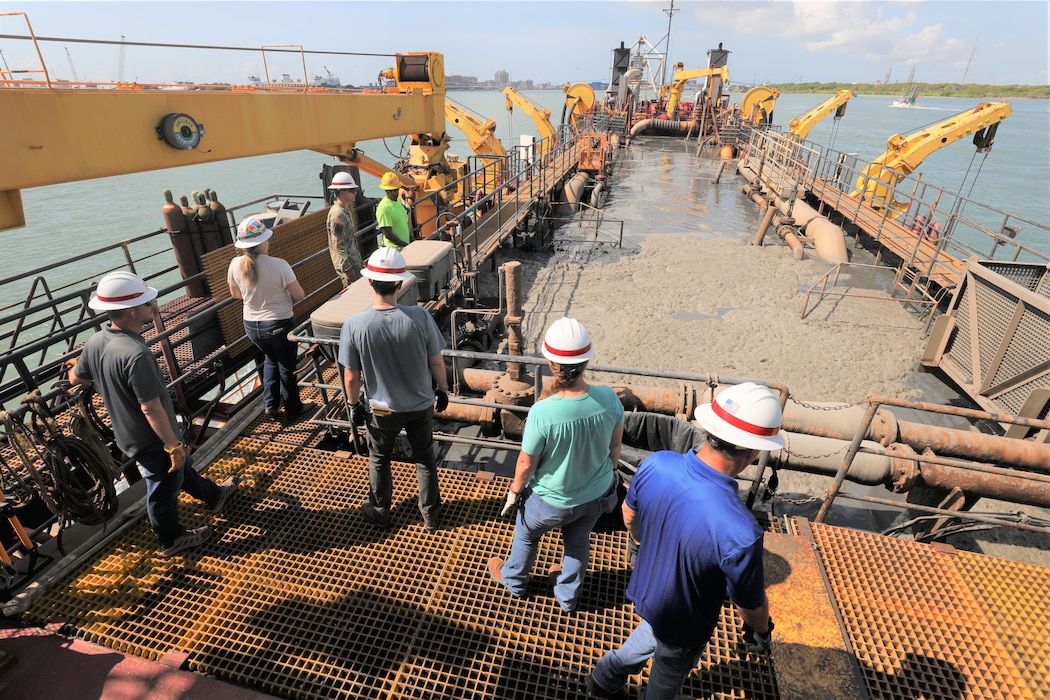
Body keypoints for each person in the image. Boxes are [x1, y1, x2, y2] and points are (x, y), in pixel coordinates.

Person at [586, 382, 783, 700]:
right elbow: (750, 604)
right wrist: (761, 631)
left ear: (710, 429)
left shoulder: (656, 464)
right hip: (686, 620)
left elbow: (628, 514)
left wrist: (641, 546)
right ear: (755, 450)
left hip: (648, 592)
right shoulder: (741, 531)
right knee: (667, 673)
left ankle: (603, 679)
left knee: (650, 629)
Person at [68, 271, 239, 558]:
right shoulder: (136, 354)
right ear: (133, 310)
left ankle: (213, 495)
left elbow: (75, 379)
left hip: (127, 433)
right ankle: (170, 539)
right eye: (148, 304)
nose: (154, 307)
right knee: (163, 486)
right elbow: (151, 407)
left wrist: (82, 364)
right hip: (152, 439)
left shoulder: (96, 342)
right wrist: (173, 445)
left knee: (179, 470)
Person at [487, 317, 624, 613]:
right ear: (587, 361)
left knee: (526, 533)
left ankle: (515, 581)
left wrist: (514, 491)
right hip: (598, 495)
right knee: (577, 543)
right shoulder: (609, 398)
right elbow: (615, 447)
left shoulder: (543, 411)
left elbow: (526, 462)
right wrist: (611, 474)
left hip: (553, 500)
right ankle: (566, 597)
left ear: (551, 364)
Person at [337, 247, 448, 532]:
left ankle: (380, 511)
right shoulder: (420, 317)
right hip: (421, 404)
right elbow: (436, 360)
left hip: (381, 409)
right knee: (424, 458)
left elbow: (351, 376)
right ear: (400, 283)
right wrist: (444, 390)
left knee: (380, 458)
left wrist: (353, 406)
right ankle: (431, 517)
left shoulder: (354, 325)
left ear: (370, 282)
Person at [227, 217, 307, 419]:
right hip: (279, 324)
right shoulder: (279, 265)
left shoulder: (235, 264)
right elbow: (299, 295)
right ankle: (293, 409)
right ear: (263, 242)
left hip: (252, 327)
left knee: (271, 358)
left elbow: (236, 294)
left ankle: (270, 405)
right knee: (287, 367)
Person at [326, 171, 364, 287]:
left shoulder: (344, 210)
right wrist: (347, 270)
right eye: (351, 190)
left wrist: (359, 262)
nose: (355, 193)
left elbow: (349, 240)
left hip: (354, 264)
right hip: (350, 268)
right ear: (342, 193)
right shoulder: (338, 214)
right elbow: (338, 245)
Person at [376, 171, 412, 250]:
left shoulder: (398, 201)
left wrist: (411, 240)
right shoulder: (384, 208)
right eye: (390, 191)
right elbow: (388, 234)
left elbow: (403, 223)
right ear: (385, 190)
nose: (393, 193)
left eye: (395, 190)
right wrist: (406, 245)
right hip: (394, 250)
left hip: (404, 248)